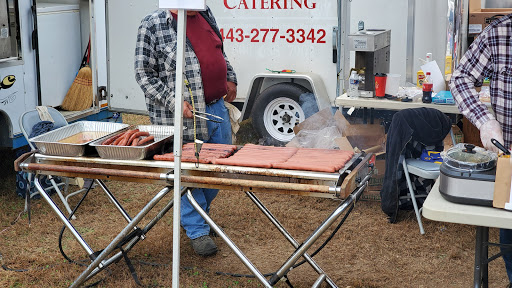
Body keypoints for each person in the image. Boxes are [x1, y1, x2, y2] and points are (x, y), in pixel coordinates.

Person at [134, 7, 237, 257]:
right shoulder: (152, 23)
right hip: (180, 116)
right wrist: (174, 101)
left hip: (217, 109)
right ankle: (197, 230)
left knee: (217, 171)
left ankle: (198, 216)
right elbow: (143, 74)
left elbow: (218, 51)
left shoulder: (204, 14)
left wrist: (230, 77)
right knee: (188, 173)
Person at [450, 13, 512, 287]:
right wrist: (485, 121)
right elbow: (461, 77)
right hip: (509, 159)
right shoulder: (499, 34)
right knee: (510, 233)